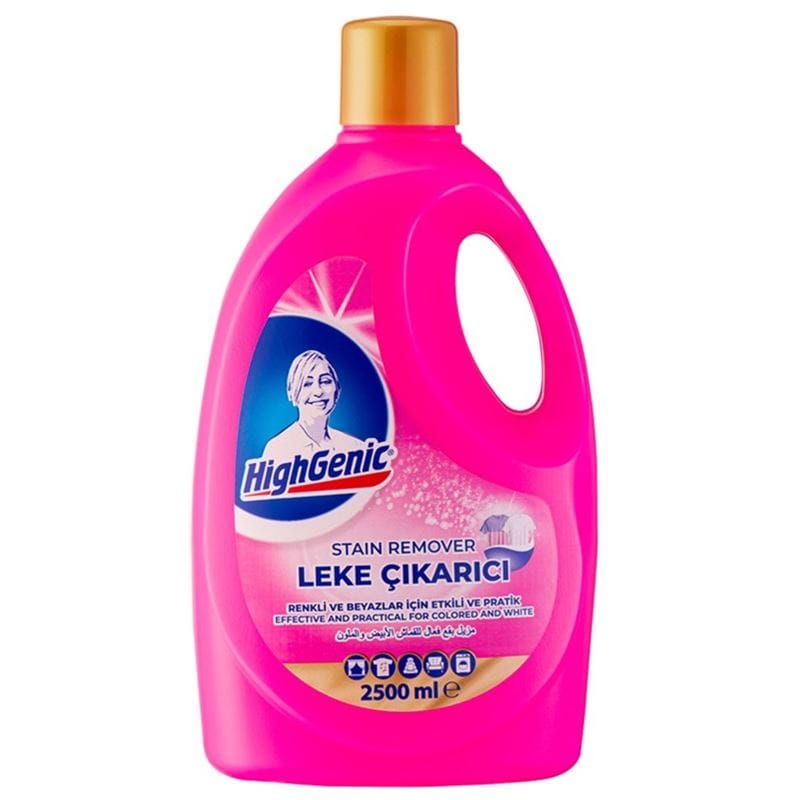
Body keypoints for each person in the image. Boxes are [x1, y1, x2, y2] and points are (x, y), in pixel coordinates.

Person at [261, 349, 364, 462]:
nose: (318, 392)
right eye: (307, 383)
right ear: (291, 392)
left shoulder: (355, 447)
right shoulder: (277, 449)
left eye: (325, 381)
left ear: (337, 389)